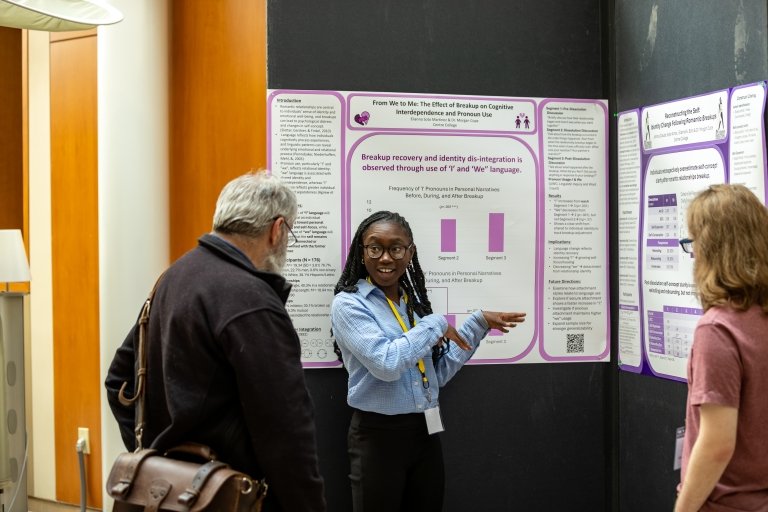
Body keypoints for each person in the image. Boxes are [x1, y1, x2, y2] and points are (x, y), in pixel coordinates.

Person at [105, 171, 326, 512]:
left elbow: (119, 380)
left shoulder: (174, 276)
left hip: (170, 494)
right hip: (231, 498)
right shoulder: (252, 300)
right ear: (277, 229)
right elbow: (286, 429)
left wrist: (157, 454)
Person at [330, 210, 526, 512]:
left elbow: (435, 374)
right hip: (378, 436)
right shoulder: (349, 304)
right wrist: (434, 324)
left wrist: (477, 325)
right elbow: (387, 363)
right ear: (362, 251)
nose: (385, 258)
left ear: (410, 254)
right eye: (375, 247)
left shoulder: (413, 305)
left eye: (396, 248)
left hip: (424, 433)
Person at [674, 184, 768, 512]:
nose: (694, 253)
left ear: (712, 247)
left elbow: (716, 445)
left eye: (694, 241)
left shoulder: (719, 329)